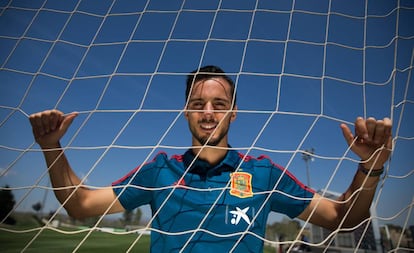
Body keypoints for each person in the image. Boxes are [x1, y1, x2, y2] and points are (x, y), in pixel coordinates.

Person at [29, 65, 392, 252]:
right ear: (185, 112)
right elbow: (81, 205)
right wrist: (50, 145)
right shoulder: (161, 170)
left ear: (234, 113)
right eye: (197, 105)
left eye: (219, 105)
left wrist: (370, 165)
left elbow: (343, 218)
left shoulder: (262, 172)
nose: (208, 113)